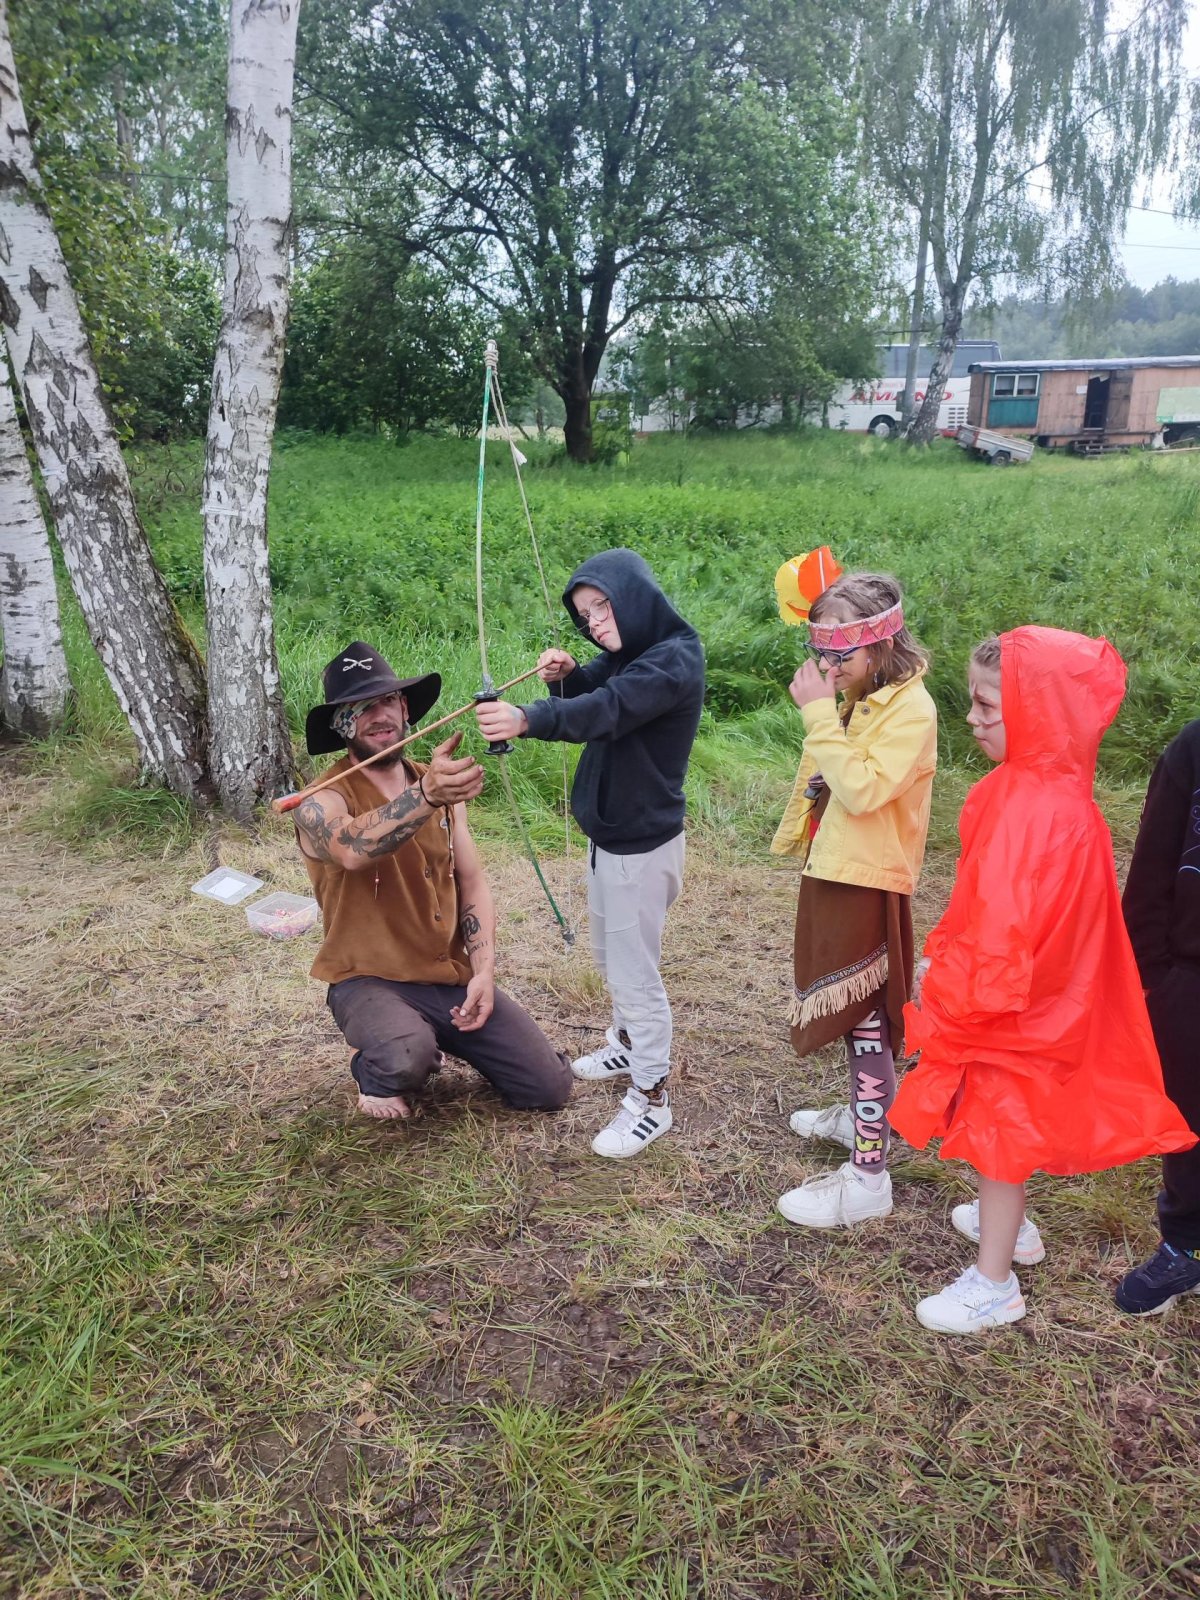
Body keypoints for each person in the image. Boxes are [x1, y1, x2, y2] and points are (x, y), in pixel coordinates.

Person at [890, 628, 1196, 1335]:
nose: (972, 719)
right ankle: (1012, 1226)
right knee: (1002, 1124)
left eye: (987, 706)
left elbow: (1008, 928)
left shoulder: (1035, 809)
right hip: (1031, 996)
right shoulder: (1039, 791)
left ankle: (994, 1283)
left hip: (1018, 1008)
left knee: (1000, 1129)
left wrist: (954, 987)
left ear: (1039, 711)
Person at [474, 549, 704, 1159]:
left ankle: (651, 1098)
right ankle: (626, 1044)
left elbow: (611, 708)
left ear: (634, 595)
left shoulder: (673, 658)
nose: (595, 623)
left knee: (635, 975)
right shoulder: (633, 653)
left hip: (641, 847)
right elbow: (598, 689)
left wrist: (527, 718)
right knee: (611, 955)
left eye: (603, 607)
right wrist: (569, 674)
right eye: (585, 616)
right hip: (612, 838)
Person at [293, 641, 572, 1120]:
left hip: (445, 976)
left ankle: (425, 1032)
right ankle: (376, 1068)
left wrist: (483, 972)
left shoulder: (436, 785)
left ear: (405, 708)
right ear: (341, 725)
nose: (379, 716)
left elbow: (472, 882)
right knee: (404, 1056)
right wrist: (426, 795)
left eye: (387, 700)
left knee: (547, 1087)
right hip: (367, 980)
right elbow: (351, 849)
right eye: (360, 709)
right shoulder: (320, 799)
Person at [770, 569, 938, 1228]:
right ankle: (866, 1114)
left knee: (865, 1016)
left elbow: (865, 790)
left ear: (883, 643)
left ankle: (869, 1174)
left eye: (841, 652)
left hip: (867, 880)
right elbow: (844, 777)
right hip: (838, 867)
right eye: (820, 650)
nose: (827, 665)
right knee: (849, 1011)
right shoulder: (865, 695)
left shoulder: (911, 709)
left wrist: (817, 714)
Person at [1116, 716, 1200, 1314]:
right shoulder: (1193, 749)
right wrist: (1156, 978)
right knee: (1188, 1118)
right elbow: (1150, 871)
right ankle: (1186, 1246)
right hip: (1190, 981)